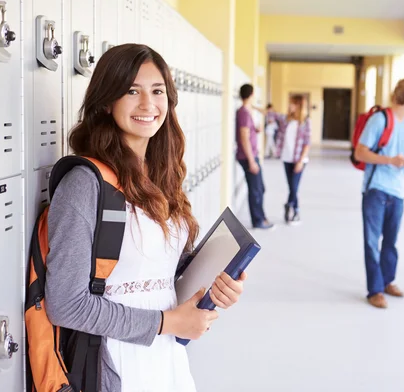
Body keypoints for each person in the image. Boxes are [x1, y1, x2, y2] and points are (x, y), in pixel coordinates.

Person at [45, 44, 247, 391]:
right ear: (107, 101)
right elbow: (66, 304)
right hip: (114, 362)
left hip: (166, 356)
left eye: (157, 91)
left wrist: (218, 284)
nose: (147, 104)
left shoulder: (160, 177)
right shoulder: (85, 184)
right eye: (131, 91)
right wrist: (166, 322)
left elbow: (160, 268)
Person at [354, 77, 404, 309]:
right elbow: (360, 153)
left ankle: (387, 281)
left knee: (391, 241)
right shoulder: (379, 119)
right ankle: (374, 290)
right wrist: (389, 160)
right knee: (372, 241)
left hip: (398, 190)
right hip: (375, 188)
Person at [267, 95, 311, 224]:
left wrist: (300, 161)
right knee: (292, 187)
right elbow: (271, 114)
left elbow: (307, 143)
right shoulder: (286, 119)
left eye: (291, 104)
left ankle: (290, 205)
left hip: (299, 159)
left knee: (294, 186)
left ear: (298, 106)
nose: (289, 106)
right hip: (286, 158)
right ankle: (294, 209)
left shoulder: (305, 122)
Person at [236, 84, 274, 230]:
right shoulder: (244, 113)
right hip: (248, 157)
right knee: (256, 189)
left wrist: (255, 129)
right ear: (251, 95)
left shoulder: (245, 111)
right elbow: (244, 137)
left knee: (260, 187)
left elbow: (247, 132)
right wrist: (252, 161)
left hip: (250, 155)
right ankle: (258, 221)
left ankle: (261, 217)